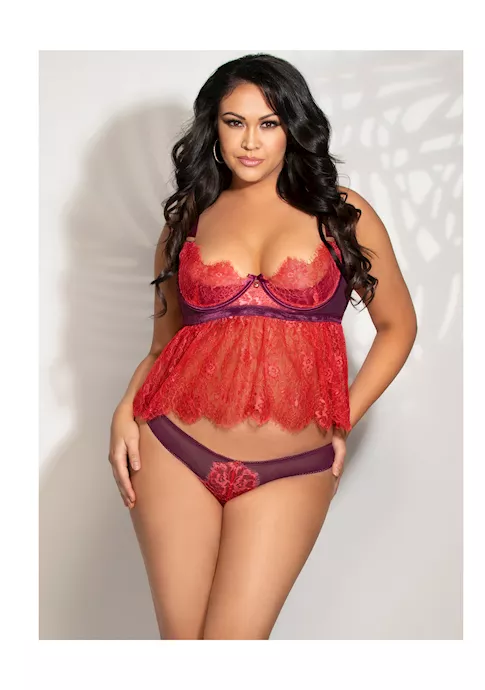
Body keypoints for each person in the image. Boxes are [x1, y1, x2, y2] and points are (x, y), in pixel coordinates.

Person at [108, 53, 417, 640]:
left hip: (291, 467)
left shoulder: (341, 214)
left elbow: (398, 327)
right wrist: (125, 410)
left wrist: (343, 417)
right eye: (235, 122)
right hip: (172, 446)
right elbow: (163, 345)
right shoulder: (187, 221)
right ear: (213, 126)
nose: (250, 142)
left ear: (293, 128)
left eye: (268, 123)